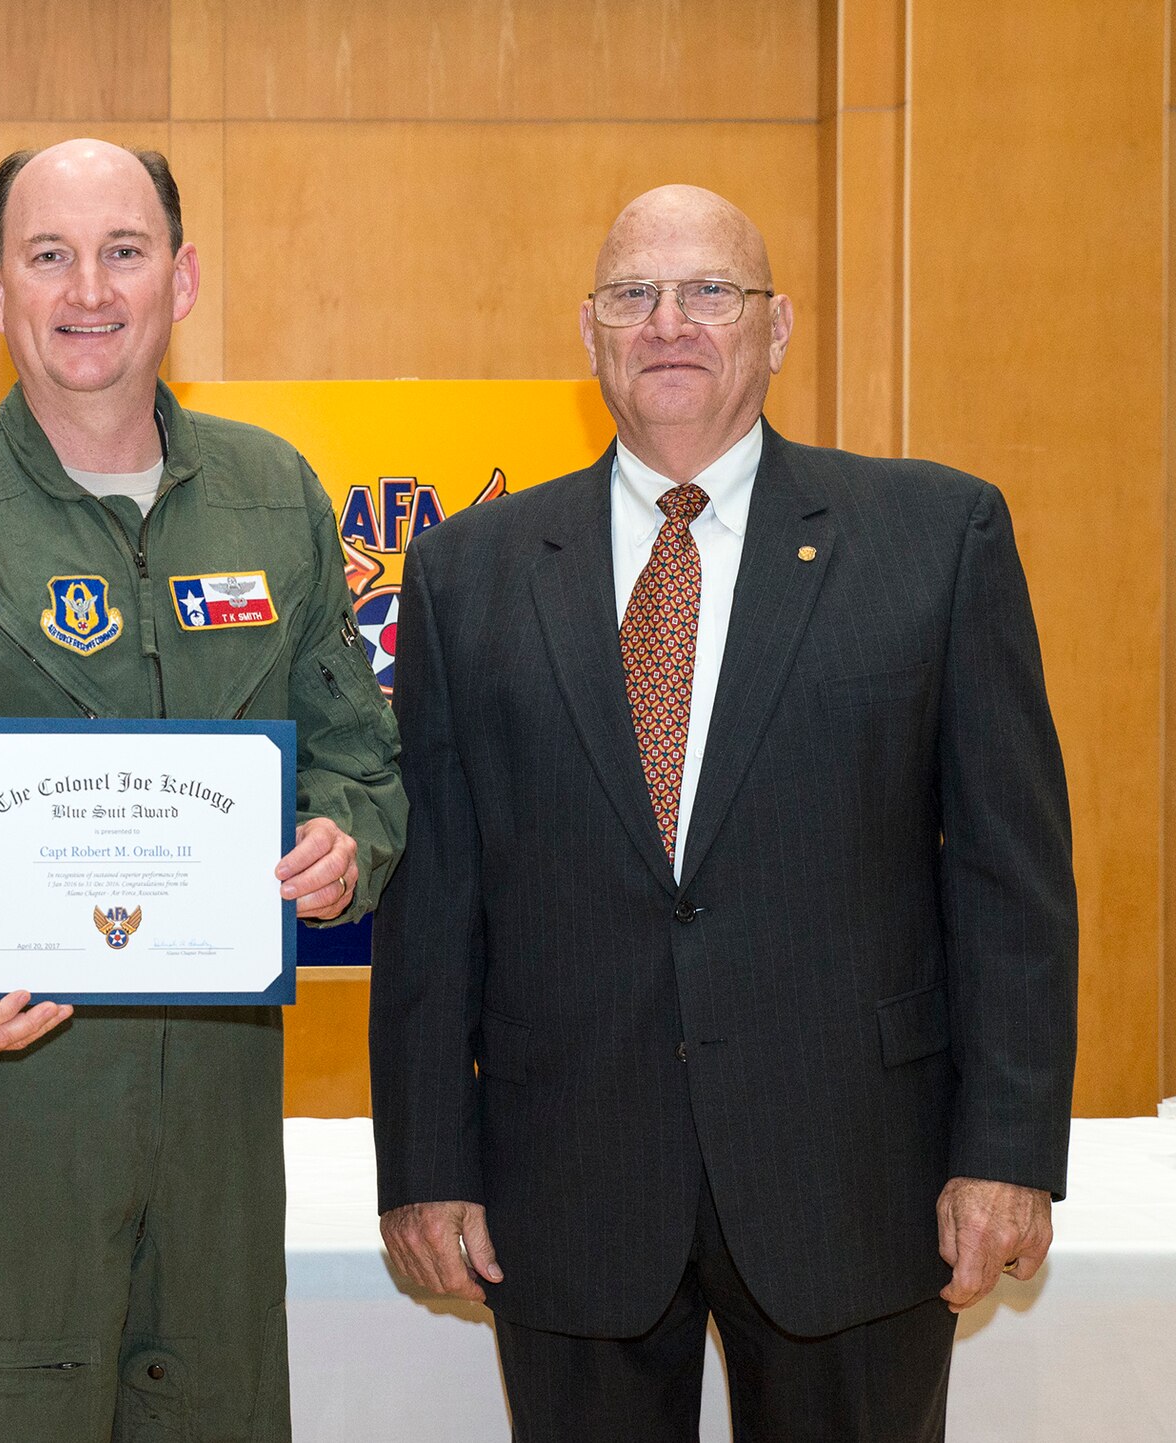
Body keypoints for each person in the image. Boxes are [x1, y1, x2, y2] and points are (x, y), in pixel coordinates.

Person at [368, 185, 1077, 1442]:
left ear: (776, 326)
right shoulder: (467, 570)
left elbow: (1009, 878)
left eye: (708, 291)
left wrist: (1009, 1148)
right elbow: (434, 897)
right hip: (567, 1182)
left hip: (858, 1182)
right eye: (632, 296)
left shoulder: (933, 535)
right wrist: (424, 1165)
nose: (668, 323)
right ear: (588, 333)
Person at [0, 139, 405, 1441]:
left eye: (124, 250)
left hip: (218, 1134)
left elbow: (359, 752)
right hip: (4, 1128)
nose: (88, 288)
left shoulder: (275, 498)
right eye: (47, 255)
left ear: (184, 276)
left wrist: (348, 840)